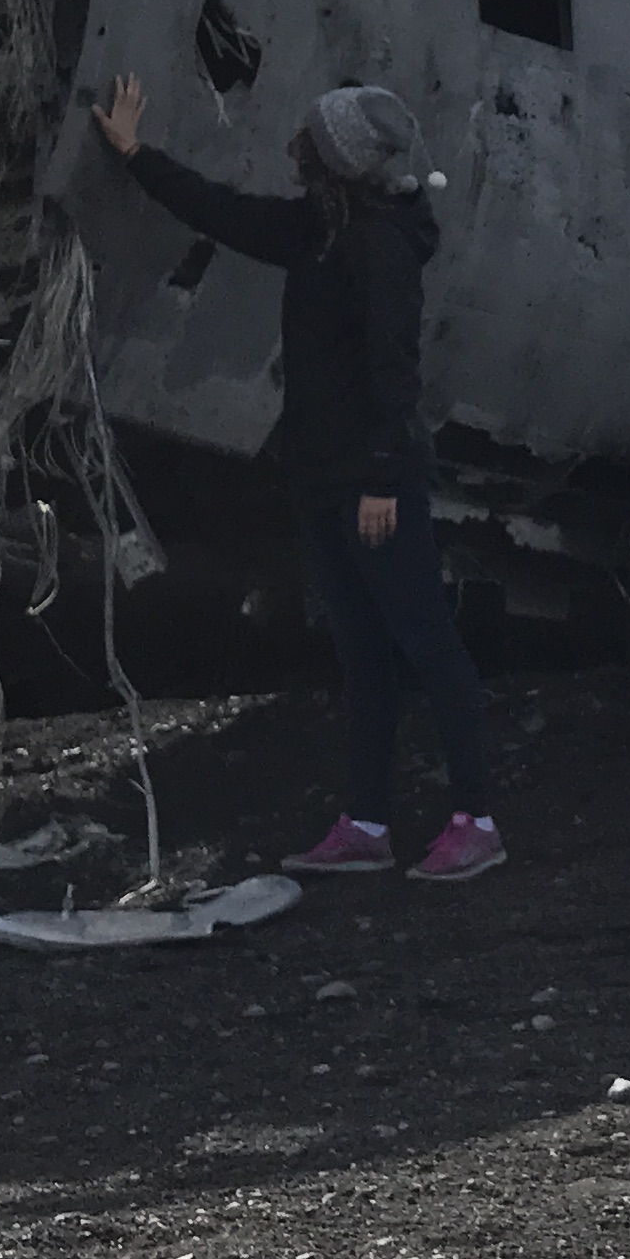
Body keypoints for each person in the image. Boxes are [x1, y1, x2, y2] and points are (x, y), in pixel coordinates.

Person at [83, 74, 504, 879]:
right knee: (361, 651)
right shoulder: (318, 227)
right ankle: (367, 825)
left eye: (312, 137)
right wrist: (136, 156)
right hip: (321, 478)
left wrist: (381, 478)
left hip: (374, 483)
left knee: (426, 641)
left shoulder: (378, 246)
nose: (296, 145)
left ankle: (476, 819)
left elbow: (394, 370)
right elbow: (221, 211)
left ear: (337, 159)